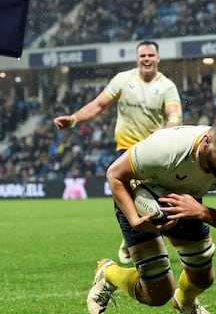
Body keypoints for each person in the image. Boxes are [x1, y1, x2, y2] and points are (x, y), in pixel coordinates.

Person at [87, 115, 216, 314]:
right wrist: (134, 219)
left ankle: (185, 303)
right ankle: (109, 273)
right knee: (158, 294)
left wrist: (203, 212)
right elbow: (115, 175)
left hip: (186, 201)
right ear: (206, 141)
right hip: (139, 197)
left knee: (204, 279)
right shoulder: (166, 148)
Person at [54, 40, 183, 263]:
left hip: (154, 151)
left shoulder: (167, 87)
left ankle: (139, 236)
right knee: (126, 196)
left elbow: (176, 118)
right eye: (143, 56)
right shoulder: (123, 80)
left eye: (151, 55)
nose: (147, 59)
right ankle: (134, 237)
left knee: (158, 199)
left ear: (158, 58)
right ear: (137, 58)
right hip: (126, 149)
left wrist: (164, 130)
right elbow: (98, 105)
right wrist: (74, 119)